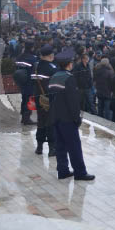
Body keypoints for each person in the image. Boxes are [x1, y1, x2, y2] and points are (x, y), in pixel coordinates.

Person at [48, 48, 94, 181]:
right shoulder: (69, 79)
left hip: (55, 116)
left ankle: (63, 171)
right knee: (74, 147)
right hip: (67, 118)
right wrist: (77, 119)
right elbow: (73, 102)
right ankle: (80, 172)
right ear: (69, 64)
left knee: (60, 146)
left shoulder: (54, 77)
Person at [32, 45, 57, 156]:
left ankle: (39, 147)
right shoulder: (52, 68)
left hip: (38, 98)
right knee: (50, 123)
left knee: (41, 122)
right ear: (50, 55)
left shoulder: (35, 66)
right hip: (49, 99)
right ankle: (52, 148)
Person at [15, 42, 38, 125]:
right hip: (29, 82)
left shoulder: (19, 57)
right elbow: (34, 71)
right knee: (29, 99)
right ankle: (26, 118)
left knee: (24, 98)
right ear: (31, 48)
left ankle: (23, 117)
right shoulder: (32, 58)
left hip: (21, 81)